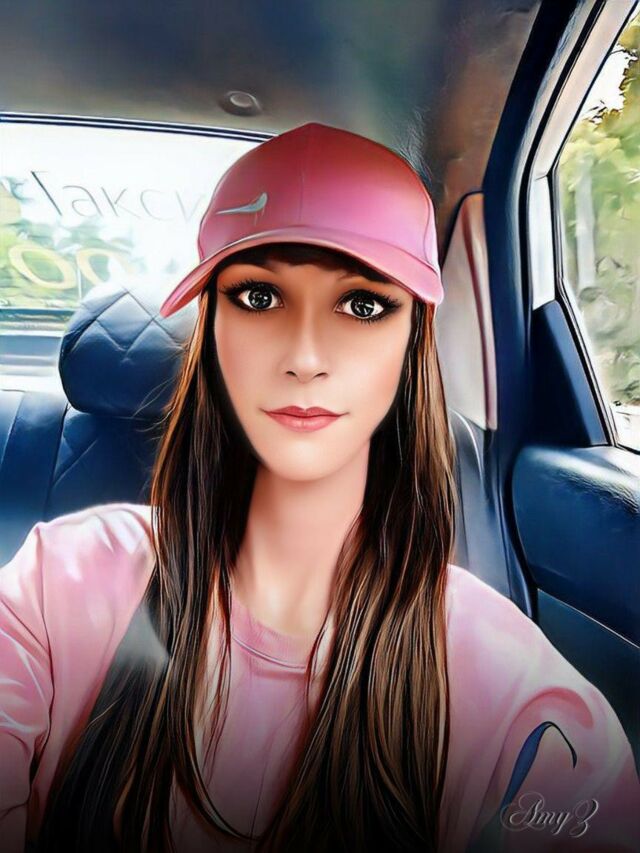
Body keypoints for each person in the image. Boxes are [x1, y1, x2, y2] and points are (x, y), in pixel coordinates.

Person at [0, 122, 638, 853]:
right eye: (258, 296)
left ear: (414, 338)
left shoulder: (516, 695)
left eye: (362, 304)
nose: (305, 356)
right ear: (211, 331)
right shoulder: (57, 580)